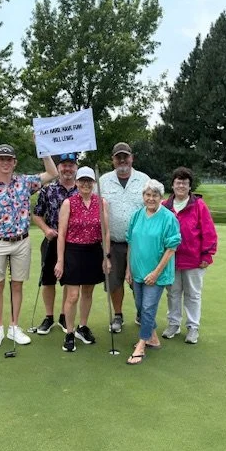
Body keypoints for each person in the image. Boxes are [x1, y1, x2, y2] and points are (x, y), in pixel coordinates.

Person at [0, 143, 58, 348]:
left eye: (9, 159)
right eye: (1, 159)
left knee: (17, 285)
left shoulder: (24, 182)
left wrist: (43, 147)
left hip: (21, 241)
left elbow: (52, 172)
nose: (5, 162)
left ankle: (14, 326)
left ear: (14, 162)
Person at [54, 166, 111, 352]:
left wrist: (106, 256)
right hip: (73, 252)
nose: (86, 184)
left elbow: (106, 232)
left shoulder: (101, 202)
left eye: (89, 181)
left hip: (93, 251)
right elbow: (61, 234)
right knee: (72, 295)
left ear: (94, 183)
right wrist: (60, 260)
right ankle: (69, 332)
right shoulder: (68, 203)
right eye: (82, 180)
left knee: (88, 292)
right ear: (77, 182)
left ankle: (82, 327)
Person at [125, 179, 181, 365]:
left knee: (148, 308)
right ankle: (153, 338)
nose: (150, 198)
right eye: (147, 195)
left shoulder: (168, 218)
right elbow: (131, 243)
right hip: (137, 272)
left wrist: (156, 273)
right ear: (143, 197)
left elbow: (171, 248)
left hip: (157, 274)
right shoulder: (136, 216)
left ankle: (141, 346)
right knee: (141, 308)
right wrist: (128, 269)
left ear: (161, 197)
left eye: (154, 195)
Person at [162, 167, 218, 344]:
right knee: (173, 293)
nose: (181, 186)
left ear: (189, 186)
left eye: (185, 183)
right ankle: (173, 324)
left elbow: (209, 231)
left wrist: (207, 255)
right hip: (171, 259)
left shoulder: (198, 205)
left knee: (193, 294)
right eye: (178, 182)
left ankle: (193, 327)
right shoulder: (165, 206)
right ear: (173, 184)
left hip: (194, 259)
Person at [99, 142, 150, 332]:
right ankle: (118, 315)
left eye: (125, 156)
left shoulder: (144, 179)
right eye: (118, 157)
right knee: (114, 282)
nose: (122, 160)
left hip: (139, 243)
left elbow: (152, 207)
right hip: (112, 242)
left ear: (132, 158)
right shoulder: (103, 181)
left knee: (140, 281)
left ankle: (141, 312)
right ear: (112, 160)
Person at [31, 152, 78, 334]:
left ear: (76, 168)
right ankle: (49, 317)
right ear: (58, 168)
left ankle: (64, 315)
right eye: (64, 165)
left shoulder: (81, 189)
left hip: (74, 243)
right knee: (48, 280)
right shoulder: (48, 189)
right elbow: (36, 214)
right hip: (52, 239)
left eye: (71, 165)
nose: (67, 168)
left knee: (70, 281)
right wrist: (45, 229)